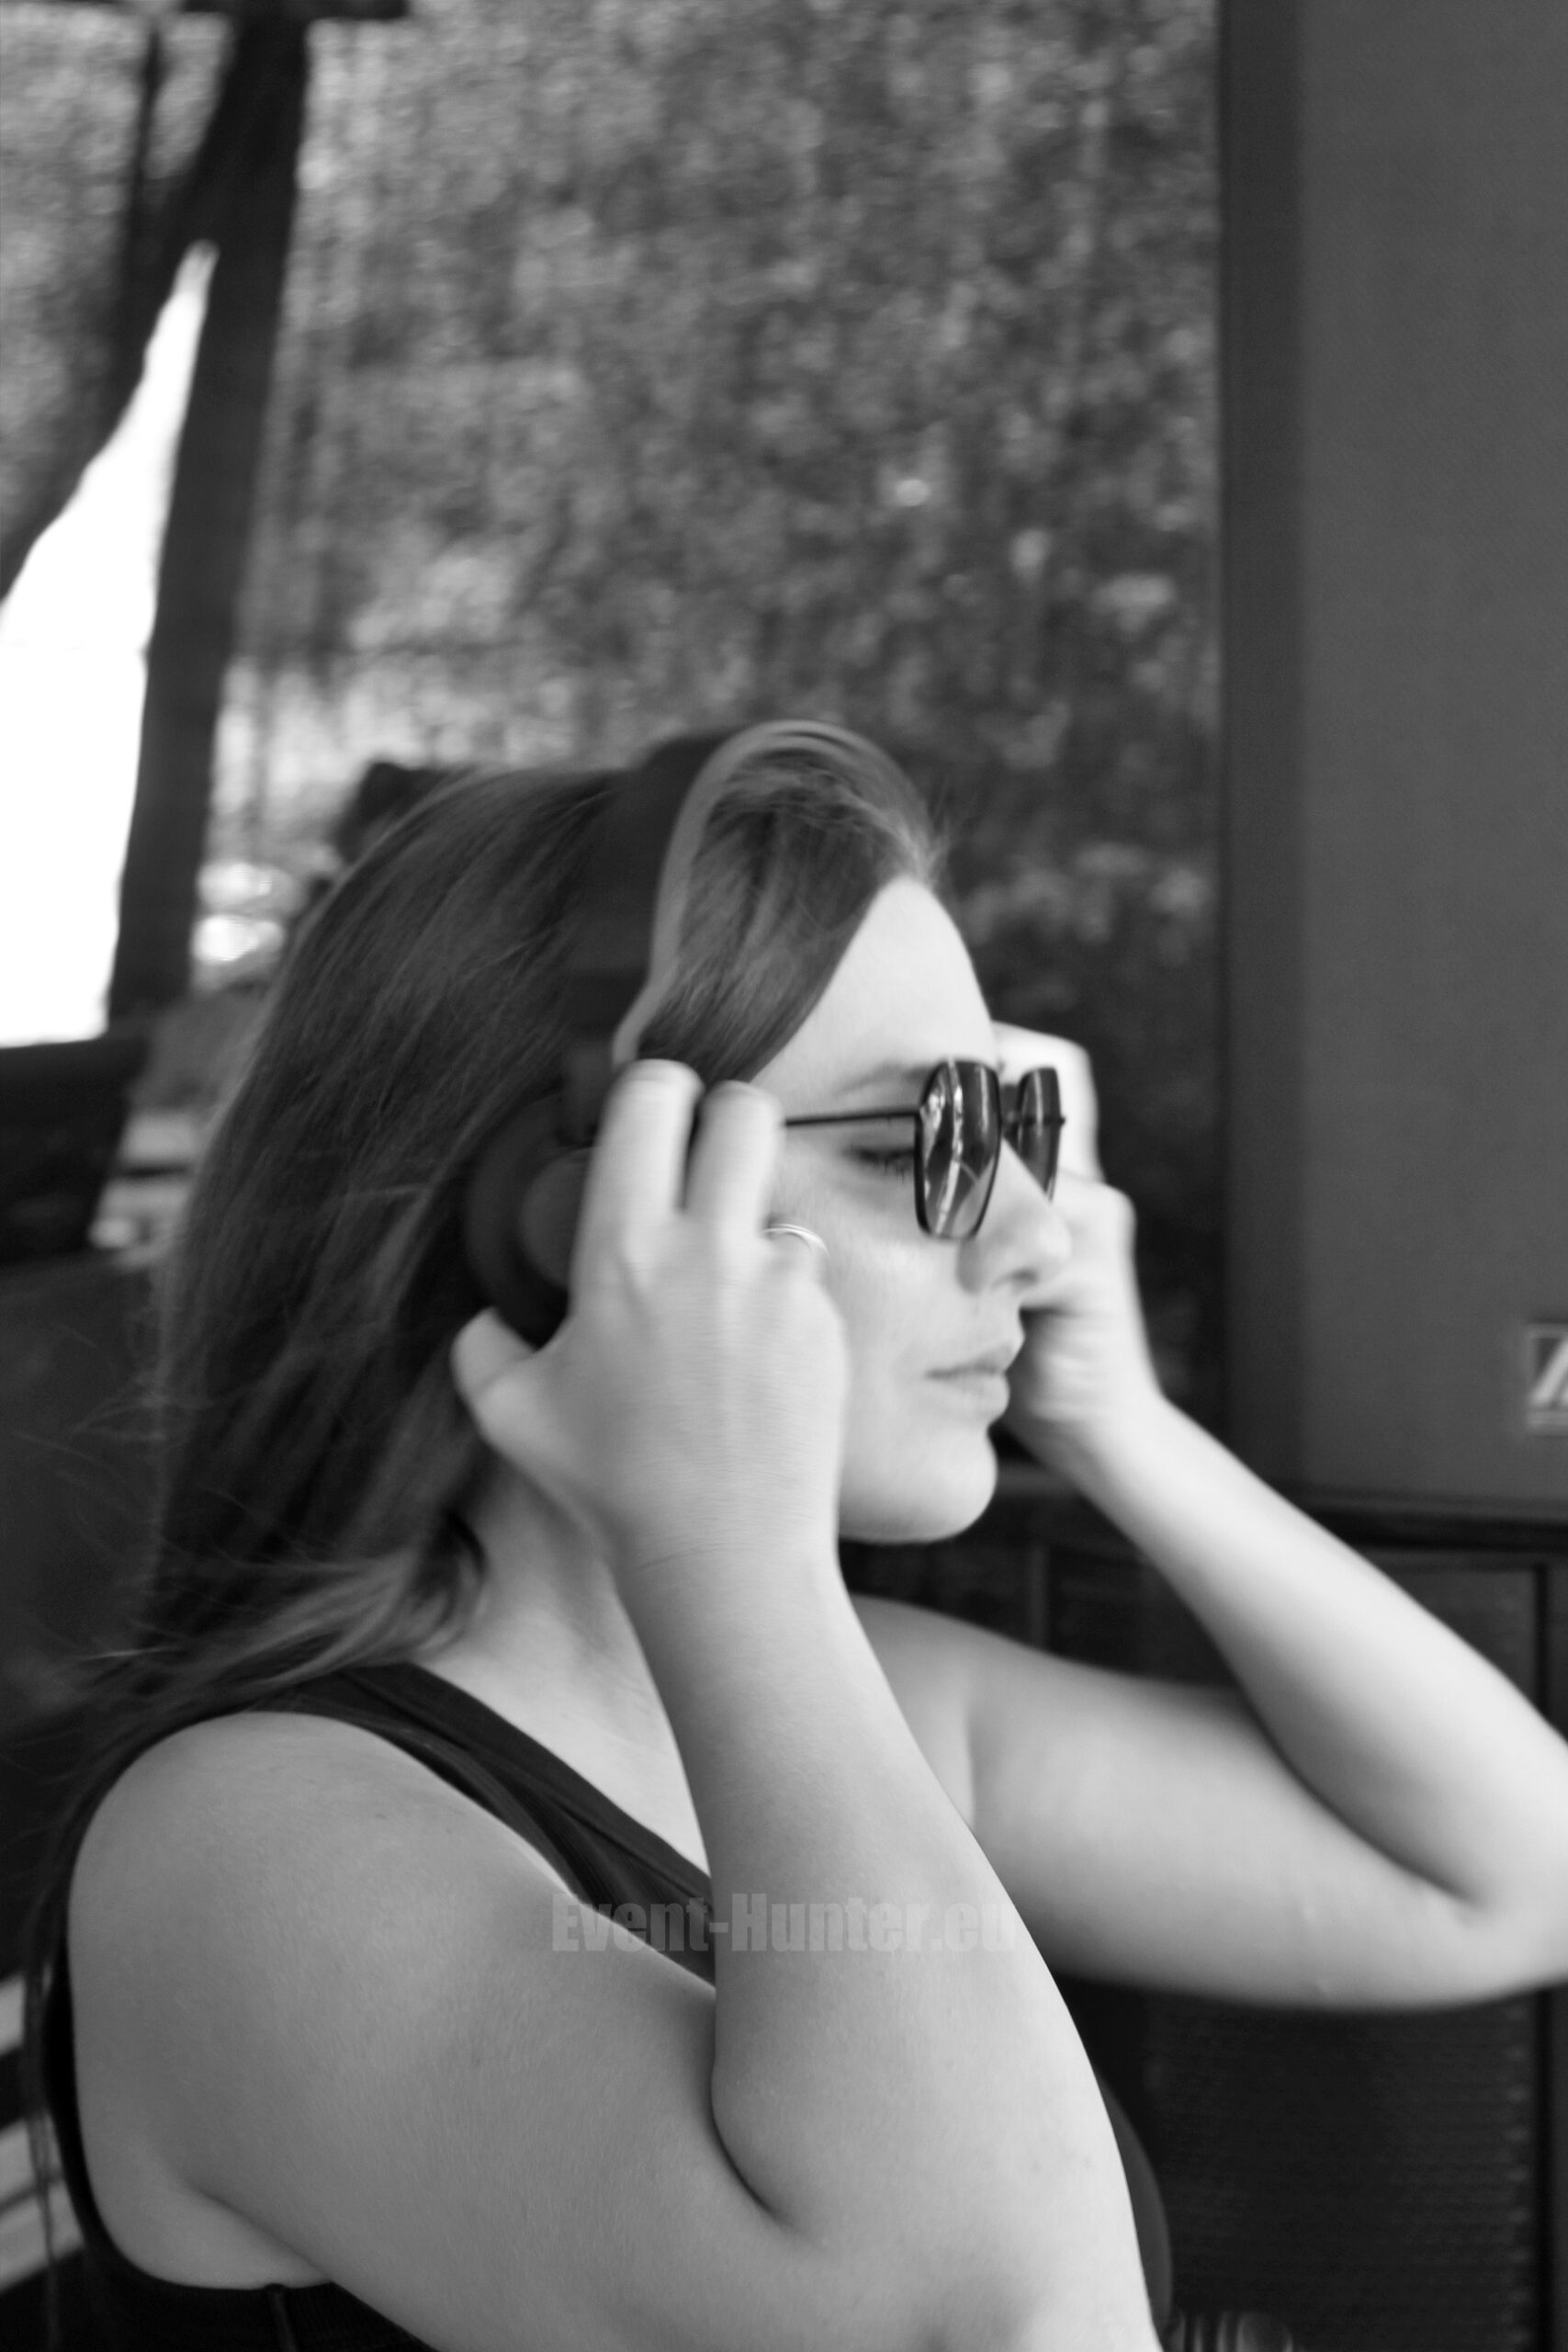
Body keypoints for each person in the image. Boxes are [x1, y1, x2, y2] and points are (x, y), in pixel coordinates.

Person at [22, 727, 1568, 2352]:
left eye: (1022, 1125)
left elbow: (1510, 1876)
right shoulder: (244, 1850)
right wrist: (725, 1546)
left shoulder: (860, 1708)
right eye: (929, 1143)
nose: (1043, 1240)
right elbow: (1008, 2324)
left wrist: (1124, 1427)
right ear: (568, 1225)